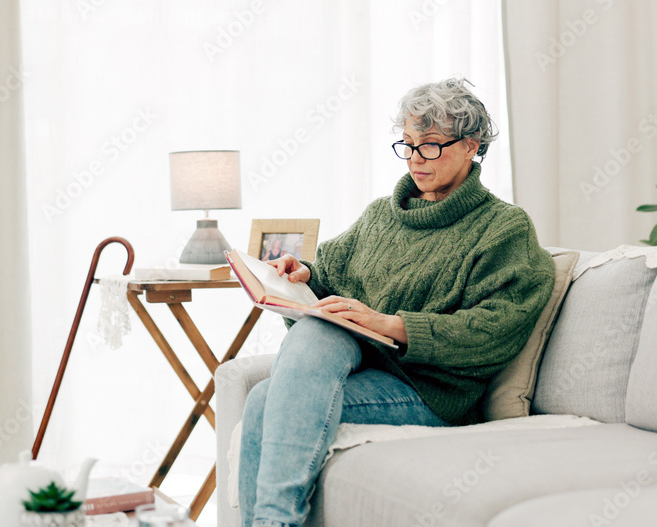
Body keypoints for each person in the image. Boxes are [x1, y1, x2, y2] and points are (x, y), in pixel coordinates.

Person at [238, 78, 555, 527]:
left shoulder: (504, 228)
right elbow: (333, 273)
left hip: (427, 391)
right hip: (364, 362)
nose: (414, 160)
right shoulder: (379, 216)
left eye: (429, 146)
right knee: (285, 366)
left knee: (267, 401)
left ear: (470, 146)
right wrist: (305, 275)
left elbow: (497, 329)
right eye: (406, 145)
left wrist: (391, 325)